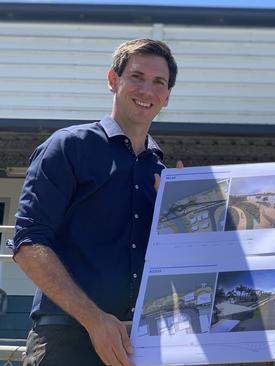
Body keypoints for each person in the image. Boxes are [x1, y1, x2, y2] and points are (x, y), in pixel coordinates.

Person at [9, 38, 178, 366]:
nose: (147, 90)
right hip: (66, 338)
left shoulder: (164, 175)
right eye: (137, 77)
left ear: (167, 96)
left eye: (159, 82)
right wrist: (95, 320)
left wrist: (179, 219)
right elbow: (28, 244)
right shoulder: (68, 147)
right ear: (113, 80)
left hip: (138, 342)